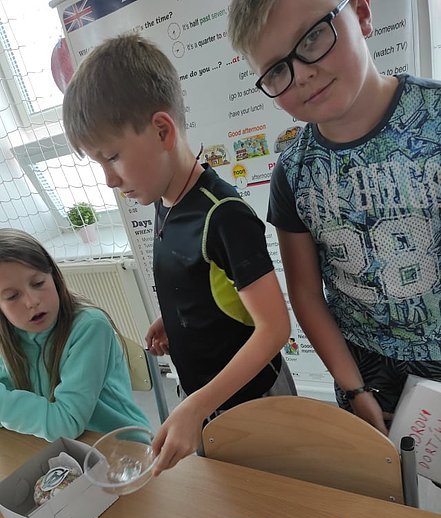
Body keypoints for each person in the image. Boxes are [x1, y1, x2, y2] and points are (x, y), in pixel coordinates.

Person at [62, 34, 296, 475]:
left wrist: (196, 406)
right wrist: (174, 320)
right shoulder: (163, 201)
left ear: (162, 131)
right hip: (206, 403)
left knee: (277, 501)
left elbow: (274, 328)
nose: (109, 179)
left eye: (112, 157)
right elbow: (200, 283)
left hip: (254, 404)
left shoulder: (223, 215)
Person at [228, 0, 441, 434]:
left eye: (312, 37)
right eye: (277, 70)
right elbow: (306, 293)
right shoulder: (293, 173)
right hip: (365, 375)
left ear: (361, 13)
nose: (302, 74)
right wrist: (355, 389)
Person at [0, 228, 151, 441]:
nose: (32, 301)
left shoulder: (89, 327)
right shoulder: (7, 334)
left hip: (122, 445)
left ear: (54, 277)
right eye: (12, 296)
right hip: (54, 447)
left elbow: (67, 423)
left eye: (38, 283)